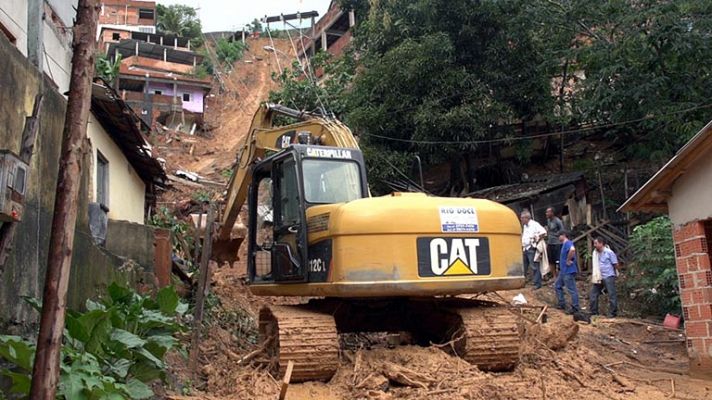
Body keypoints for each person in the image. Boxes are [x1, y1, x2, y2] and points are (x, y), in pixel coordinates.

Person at [589, 237, 619, 317]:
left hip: (608, 275)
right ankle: (594, 312)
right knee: (593, 294)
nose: (594, 245)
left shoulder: (609, 252)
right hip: (598, 277)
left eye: (596, 243)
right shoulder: (595, 253)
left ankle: (613, 312)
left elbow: (615, 264)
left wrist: (615, 273)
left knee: (611, 294)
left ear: (601, 243)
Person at [520, 210, 547, 289]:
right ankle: (522, 282)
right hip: (525, 247)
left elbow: (543, 232)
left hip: (531, 248)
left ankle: (537, 284)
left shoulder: (534, 224)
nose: (521, 219)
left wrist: (536, 241)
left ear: (527, 218)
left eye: (522, 218)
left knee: (534, 266)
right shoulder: (525, 226)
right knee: (524, 266)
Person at [556, 231, 580, 314]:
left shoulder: (568, 243)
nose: (558, 237)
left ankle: (575, 307)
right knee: (557, 285)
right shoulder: (564, 245)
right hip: (563, 271)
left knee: (572, 289)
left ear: (564, 235)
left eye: (559, 235)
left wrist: (568, 260)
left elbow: (572, 250)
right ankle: (561, 303)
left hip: (568, 271)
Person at [545, 207, 564, 276]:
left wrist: (555, 234)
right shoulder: (548, 221)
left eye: (548, 212)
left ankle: (560, 277)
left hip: (557, 244)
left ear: (552, 213)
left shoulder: (558, 221)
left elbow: (562, 230)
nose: (546, 213)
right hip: (550, 243)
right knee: (551, 261)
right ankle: (554, 277)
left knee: (558, 260)